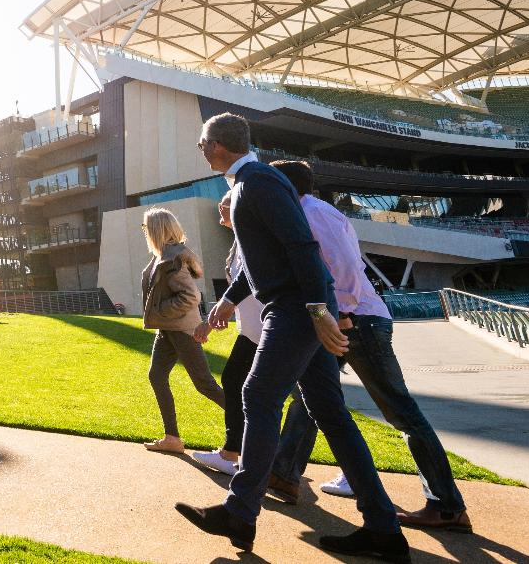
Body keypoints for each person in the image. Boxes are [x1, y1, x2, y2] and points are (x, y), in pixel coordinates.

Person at [174, 113, 409, 562]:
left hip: (296, 309)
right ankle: (383, 528)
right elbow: (270, 257)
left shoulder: (257, 182)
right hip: (298, 305)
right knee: (330, 414)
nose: (201, 151)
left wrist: (321, 311)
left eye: (202, 144)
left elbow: (301, 246)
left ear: (217, 145)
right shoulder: (251, 184)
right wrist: (229, 300)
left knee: (258, 395)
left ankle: (239, 511)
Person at [266, 160, 472, 533]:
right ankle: (282, 473)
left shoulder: (314, 214)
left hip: (356, 321)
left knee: (400, 412)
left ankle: (447, 506)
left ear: (284, 186)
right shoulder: (310, 212)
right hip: (348, 319)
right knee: (311, 397)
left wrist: (342, 311)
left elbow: (343, 266)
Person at [139, 207, 226, 453]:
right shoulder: (162, 256)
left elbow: (190, 296)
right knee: (156, 376)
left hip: (181, 329)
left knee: (204, 384)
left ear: (157, 229)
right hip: (167, 330)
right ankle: (172, 438)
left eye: (146, 227)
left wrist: (159, 310)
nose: (144, 232)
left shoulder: (173, 258)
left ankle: (254, 431)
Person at [190, 191, 263, 475]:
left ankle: (242, 453)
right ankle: (236, 451)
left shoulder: (252, 238)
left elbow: (247, 281)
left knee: (308, 401)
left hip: (266, 328)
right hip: (252, 329)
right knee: (236, 381)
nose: (219, 216)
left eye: (223, 208)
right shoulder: (241, 240)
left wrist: (219, 312)